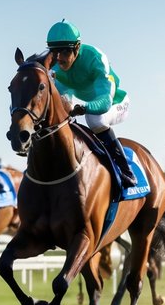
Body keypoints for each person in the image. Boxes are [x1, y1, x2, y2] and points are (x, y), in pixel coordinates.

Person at [46, 19, 137, 190]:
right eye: (55, 52)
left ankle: (125, 171)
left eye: (65, 52)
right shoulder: (55, 68)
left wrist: (84, 107)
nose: (59, 59)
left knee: (95, 119)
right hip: (87, 104)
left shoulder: (96, 59)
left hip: (115, 103)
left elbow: (104, 102)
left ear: (77, 47)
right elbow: (63, 103)